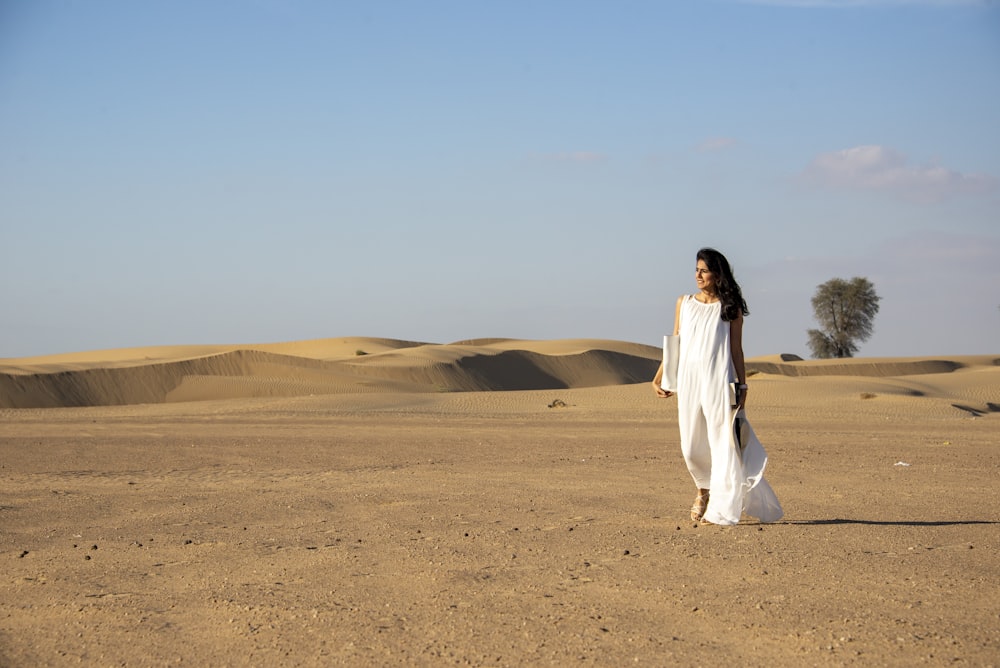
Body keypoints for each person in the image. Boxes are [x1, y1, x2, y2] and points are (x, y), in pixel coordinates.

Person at [652, 248, 783, 526]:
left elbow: (736, 350)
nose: (697, 275)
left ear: (717, 274)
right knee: (690, 445)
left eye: (704, 270)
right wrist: (660, 375)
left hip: (719, 382)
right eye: (696, 269)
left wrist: (743, 387)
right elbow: (676, 341)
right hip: (689, 382)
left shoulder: (730, 308)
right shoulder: (684, 302)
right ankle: (703, 487)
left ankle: (720, 508)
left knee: (722, 443)